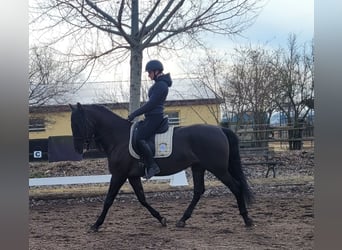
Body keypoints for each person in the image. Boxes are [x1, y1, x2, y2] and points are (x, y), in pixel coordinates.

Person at [128, 60, 172, 179]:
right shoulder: (159, 84)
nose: (148, 75)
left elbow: (151, 104)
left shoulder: (161, 85)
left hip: (155, 117)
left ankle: (152, 165)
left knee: (140, 138)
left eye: (149, 72)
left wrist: (134, 114)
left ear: (156, 71)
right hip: (151, 117)